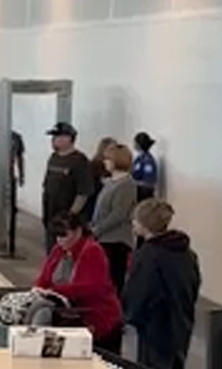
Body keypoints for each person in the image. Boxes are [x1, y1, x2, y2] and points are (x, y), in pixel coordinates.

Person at [121, 199, 201, 369]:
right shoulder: (186, 252)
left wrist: (129, 316)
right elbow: (194, 285)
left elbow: (139, 292)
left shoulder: (148, 255)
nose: (133, 224)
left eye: (135, 220)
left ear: (145, 224)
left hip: (155, 327)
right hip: (181, 322)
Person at [34, 212, 123, 351]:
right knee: (37, 308)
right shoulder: (58, 250)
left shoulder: (93, 251)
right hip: (67, 309)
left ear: (78, 232)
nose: (59, 240)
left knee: (42, 315)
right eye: (57, 236)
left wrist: (53, 291)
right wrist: (39, 290)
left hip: (94, 313)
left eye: (64, 235)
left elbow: (90, 288)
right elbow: (44, 278)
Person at [91, 143, 138, 292]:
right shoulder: (111, 182)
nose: (105, 162)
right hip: (104, 237)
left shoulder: (126, 185)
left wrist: (97, 230)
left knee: (114, 280)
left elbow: (118, 214)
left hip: (116, 240)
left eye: (108, 159)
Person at [42, 123, 95, 248]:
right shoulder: (53, 158)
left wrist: (70, 215)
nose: (53, 140)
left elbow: (83, 192)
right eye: (53, 137)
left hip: (67, 221)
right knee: (51, 253)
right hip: (51, 216)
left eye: (57, 136)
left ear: (68, 138)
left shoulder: (79, 161)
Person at [132, 132, 159, 202]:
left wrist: (133, 183)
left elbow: (149, 182)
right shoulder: (138, 159)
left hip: (144, 195)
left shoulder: (148, 161)